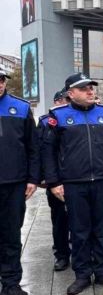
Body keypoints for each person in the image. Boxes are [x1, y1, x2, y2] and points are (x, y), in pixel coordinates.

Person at [42, 73, 103, 295]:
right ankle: (82, 275)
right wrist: (53, 182)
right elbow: (49, 152)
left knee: (101, 230)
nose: (91, 91)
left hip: (102, 181)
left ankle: (102, 271)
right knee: (79, 231)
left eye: (91, 87)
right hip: (73, 183)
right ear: (71, 93)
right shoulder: (58, 116)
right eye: (84, 88)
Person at [0, 68, 39, 295]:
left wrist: (33, 178)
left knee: (11, 234)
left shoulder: (21, 108)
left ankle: (11, 282)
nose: (0, 84)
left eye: (2, 80)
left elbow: (33, 147)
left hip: (14, 184)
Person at [37, 89, 71, 273]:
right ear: (57, 102)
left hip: (77, 178)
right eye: (65, 100)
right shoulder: (46, 122)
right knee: (59, 220)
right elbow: (42, 151)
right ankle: (62, 254)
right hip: (56, 179)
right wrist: (46, 178)